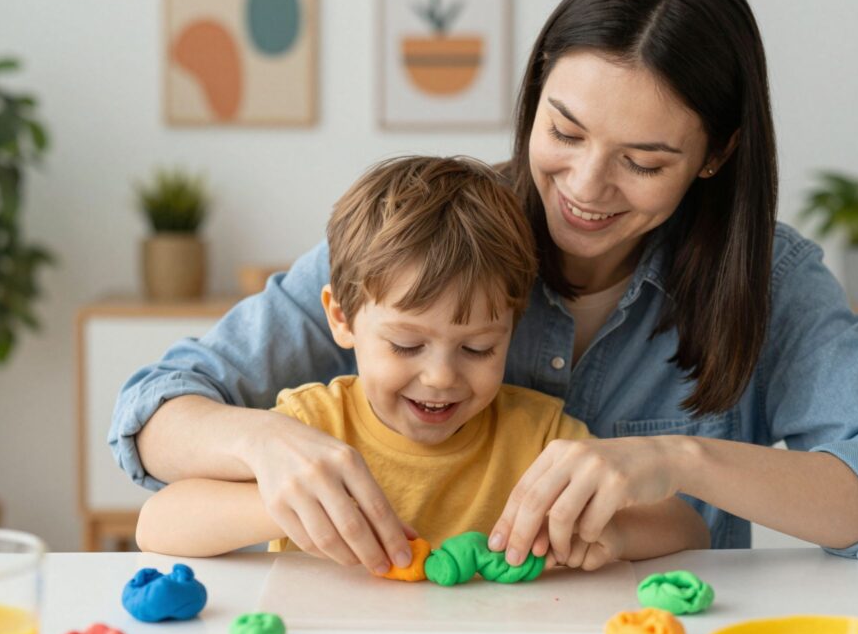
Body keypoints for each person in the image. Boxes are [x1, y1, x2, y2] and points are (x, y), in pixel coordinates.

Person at [113, 0, 858, 574]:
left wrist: (679, 459)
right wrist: (264, 449)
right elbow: (157, 409)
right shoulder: (432, 235)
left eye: (644, 160)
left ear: (716, 156)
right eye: (566, 130)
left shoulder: (771, 280)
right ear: (536, 91)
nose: (587, 186)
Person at [134, 156, 709, 564]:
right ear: (341, 317)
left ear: (515, 323)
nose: (440, 377)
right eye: (406, 345)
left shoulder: (543, 439)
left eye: (479, 348)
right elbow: (155, 525)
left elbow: (687, 528)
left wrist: (614, 537)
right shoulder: (310, 429)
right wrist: (283, 509)